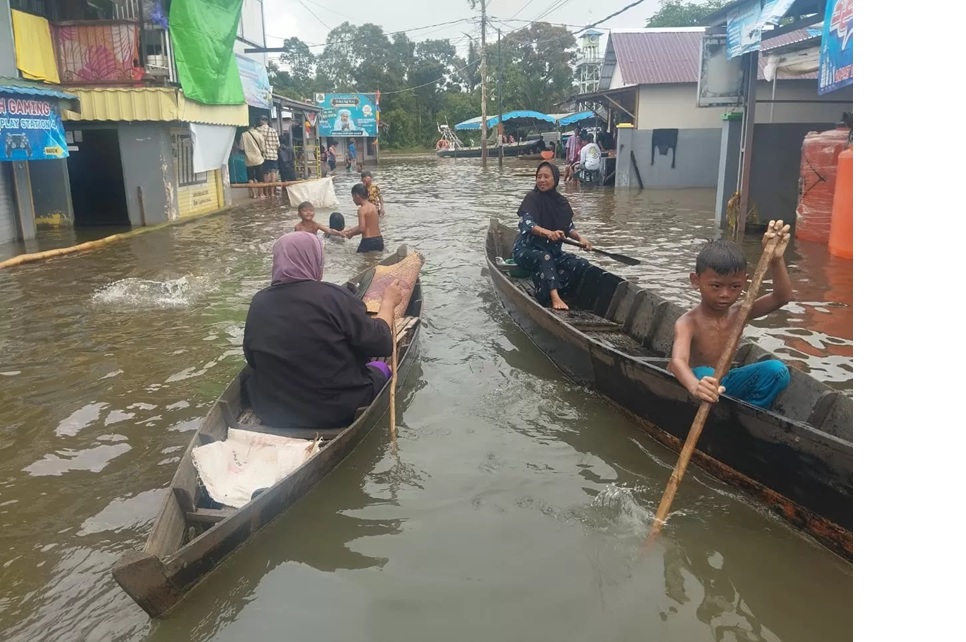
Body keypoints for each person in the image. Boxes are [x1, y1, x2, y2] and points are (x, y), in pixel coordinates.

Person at [243, 232, 405, 429]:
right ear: (315, 261)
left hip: (272, 410)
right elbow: (382, 344)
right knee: (382, 368)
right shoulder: (333, 297)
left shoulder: (259, 301)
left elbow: (252, 359)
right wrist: (388, 302)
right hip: (336, 410)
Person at [668, 220, 793, 410]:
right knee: (706, 372)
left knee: (777, 371)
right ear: (696, 281)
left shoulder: (740, 313)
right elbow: (678, 361)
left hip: (724, 382)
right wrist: (695, 387)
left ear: (745, 281)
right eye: (716, 286)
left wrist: (776, 260)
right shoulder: (688, 322)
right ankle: (721, 403)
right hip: (697, 381)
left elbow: (782, 297)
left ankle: (748, 412)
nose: (725, 294)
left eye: (735, 287)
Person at [511, 161, 593, 311]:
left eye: (546, 177)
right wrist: (549, 233)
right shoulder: (531, 198)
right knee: (544, 258)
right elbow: (527, 224)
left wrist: (581, 239)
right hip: (527, 250)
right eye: (539, 176)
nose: (542, 180)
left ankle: (556, 289)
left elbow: (568, 227)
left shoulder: (561, 202)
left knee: (581, 264)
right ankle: (554, 298)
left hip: (552, 252)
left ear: (555, 179)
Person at [344, 182, 383, 253]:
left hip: (368, 241)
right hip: (379, 240)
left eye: (353, 197)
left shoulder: (361, 210)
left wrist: (351, 234)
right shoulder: (374, 207)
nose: (353, 200)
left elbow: (362, 228)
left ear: (357, 196)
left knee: (362, 262)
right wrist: (350, 230)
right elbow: (368, 224)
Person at [257, 115, 281, 200]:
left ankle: (266, 193)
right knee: (273, 173)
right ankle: (272, 193)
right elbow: (278, 144)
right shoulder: (273, 130)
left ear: (261, 121)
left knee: (265, 173)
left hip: (265, 155)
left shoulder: (258, 130)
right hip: (274, 155)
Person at [239, 122, 265, 199]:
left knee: (250, 177)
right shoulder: (259, 135)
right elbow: (263, 148)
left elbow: (241, 148)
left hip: (248, 159)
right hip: (258, 159)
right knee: (260, 177)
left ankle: (254, 194)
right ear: (254, 126)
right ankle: (261, 194)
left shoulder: (243, 135)